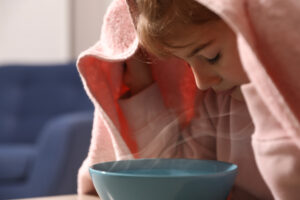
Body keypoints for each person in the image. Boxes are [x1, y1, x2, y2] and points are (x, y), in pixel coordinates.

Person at [76, 0, 300, 199]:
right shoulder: (218, 105)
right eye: (186, 63)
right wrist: (142, 84)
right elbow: (171, 178)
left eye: (211, 56)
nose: (201, 83)